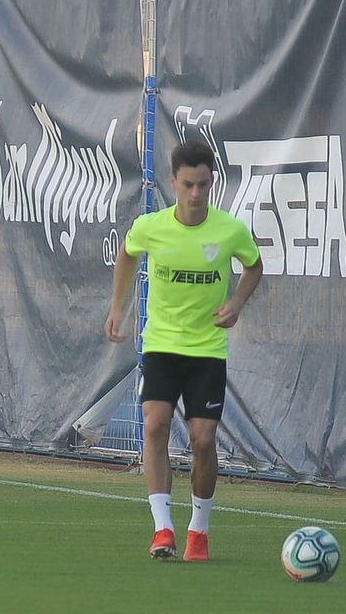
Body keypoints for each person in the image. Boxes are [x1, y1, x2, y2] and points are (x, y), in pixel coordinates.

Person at [104, 140, 263, 563]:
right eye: (188, 184)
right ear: (173, 182)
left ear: (212, 183)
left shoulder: (229, 230)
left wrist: (237, 303)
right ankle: (162, 529)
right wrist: (117, 308)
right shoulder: (150, 226)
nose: (196, 194)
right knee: (154, 425)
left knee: (202, 439)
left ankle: (199, 531)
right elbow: (127, 254)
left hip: (207, 349)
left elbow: (254, 265)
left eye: (204, 185)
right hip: (161, 345)